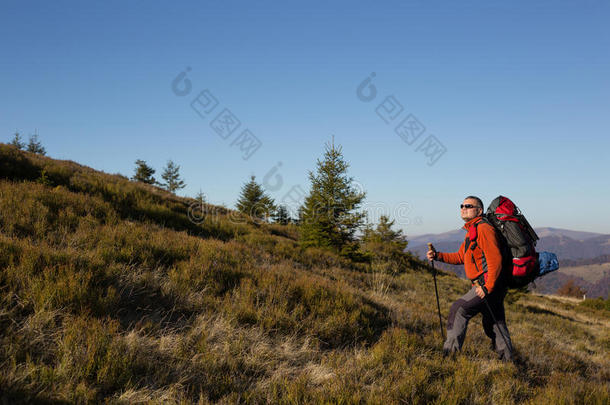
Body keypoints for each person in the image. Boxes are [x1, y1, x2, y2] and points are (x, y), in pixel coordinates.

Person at [427, 196, 513, 361]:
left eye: (468, 205)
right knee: (495, 323)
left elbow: (495, 260)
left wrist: (487, 286)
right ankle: (508, 362)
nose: (463, 208)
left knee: (459, 309)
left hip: (487, 285)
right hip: (493, 285)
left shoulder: (483, 229)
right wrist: (438, 256)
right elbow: (461, 257)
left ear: (479, 211)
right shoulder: (473, 230)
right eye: (462, 205)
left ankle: (449, 357)